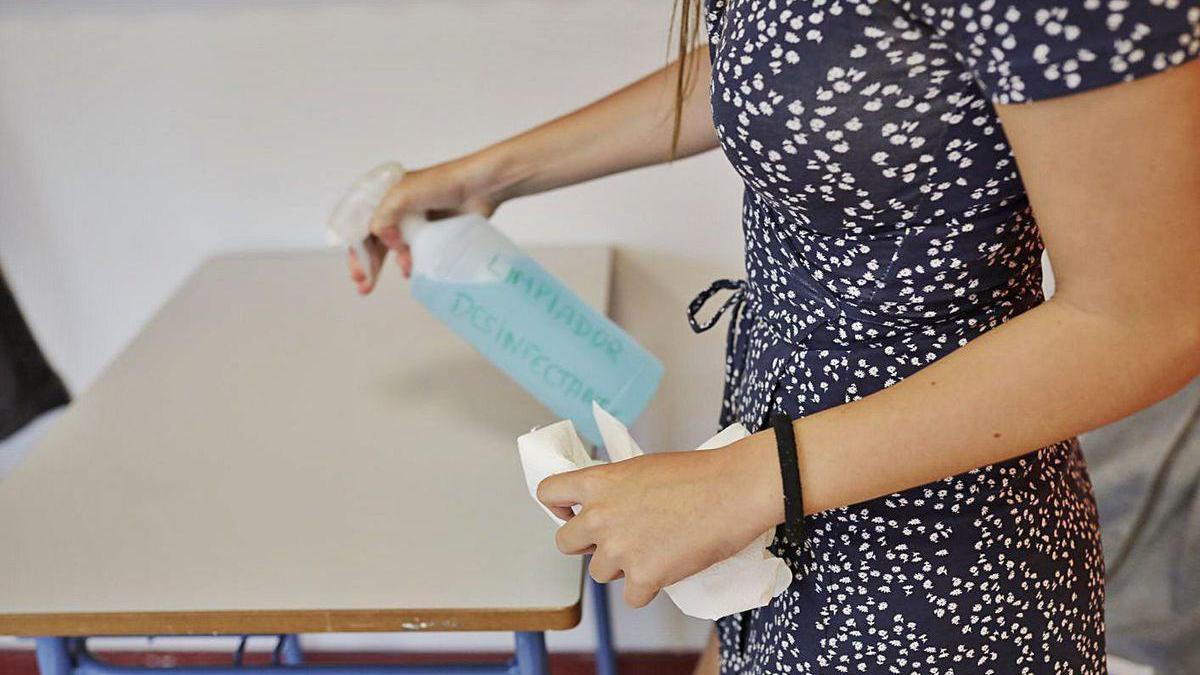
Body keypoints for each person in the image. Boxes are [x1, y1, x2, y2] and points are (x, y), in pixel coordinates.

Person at [349, 1, 1200, 672]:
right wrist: (487, 177)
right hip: (771, 477)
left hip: (935, 557)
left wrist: (747, 481)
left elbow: (1143, 322)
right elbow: (798, 62)